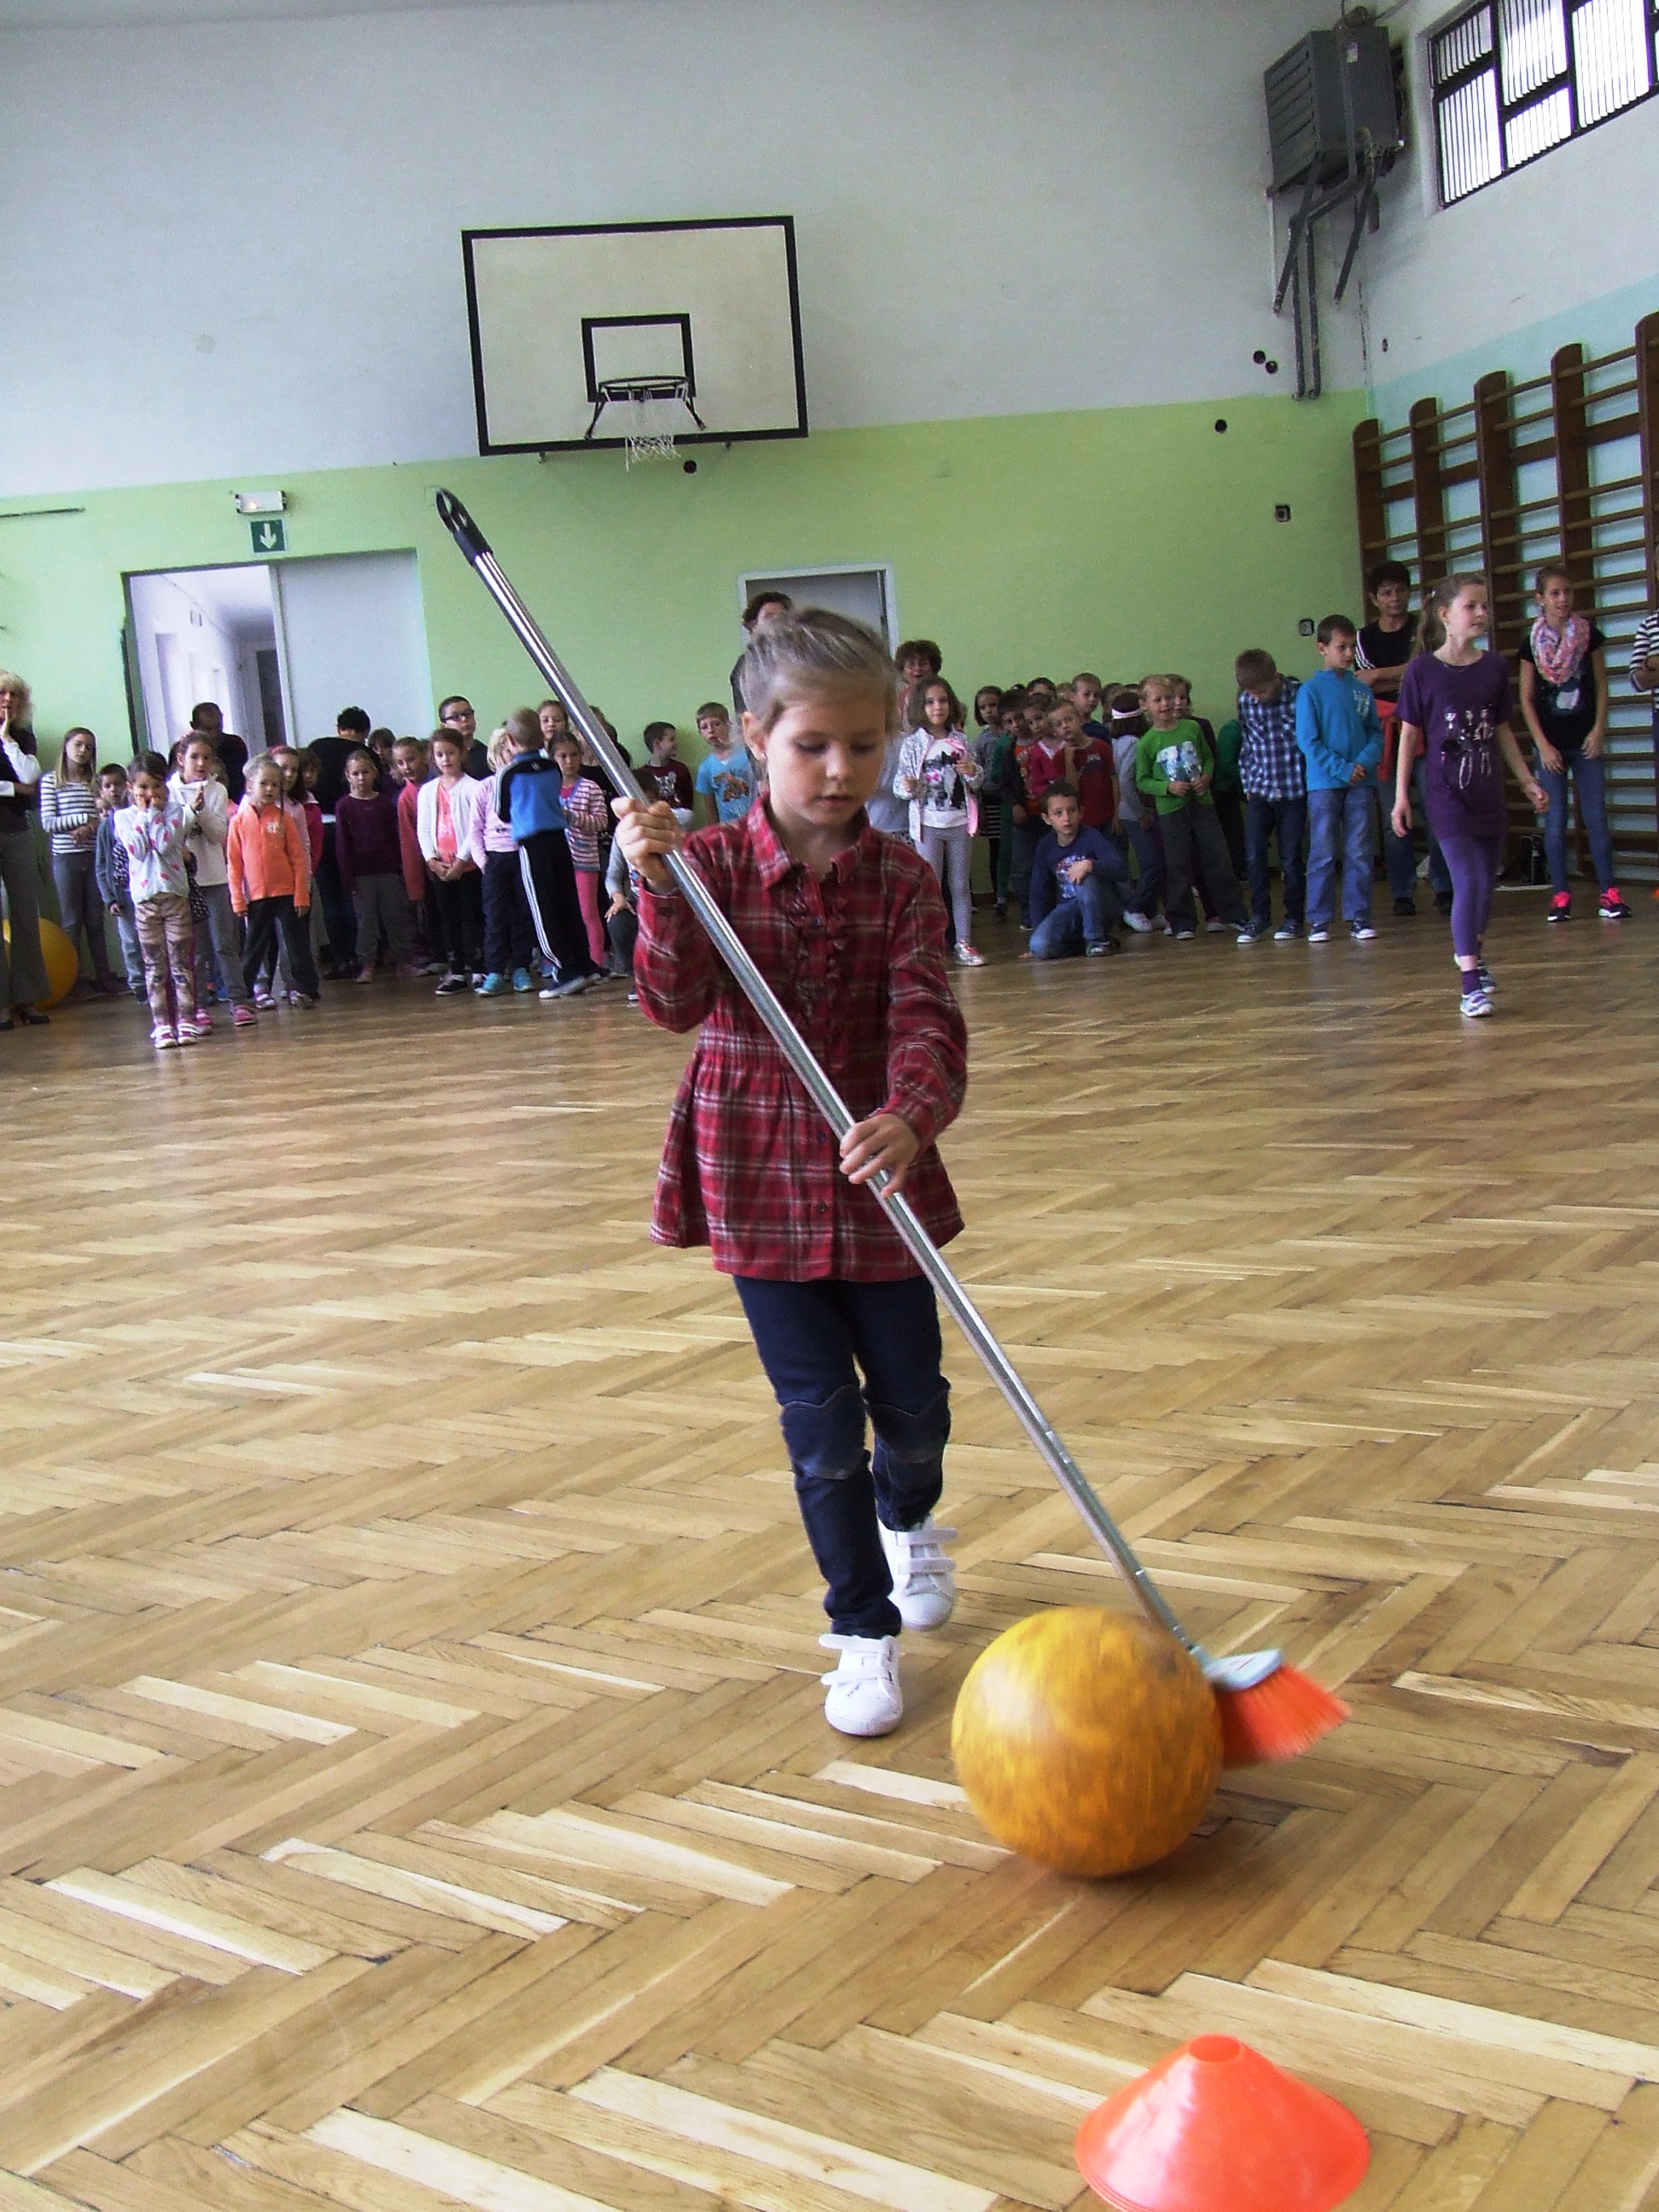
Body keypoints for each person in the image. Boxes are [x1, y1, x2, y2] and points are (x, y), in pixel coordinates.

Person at [617, 608, 966, 1738]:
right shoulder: (709, 865)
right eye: (812, 745)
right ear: (758, 738)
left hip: (875, 1171)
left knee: (913, 1412)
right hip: (756, 1166)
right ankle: (860, 1629)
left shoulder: (903, 875)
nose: (840, 770)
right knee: (819, 1424)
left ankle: (911, 1519)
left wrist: (911, 1112)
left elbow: (927, 1013)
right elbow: (672, 1004)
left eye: (864, 746)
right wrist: (658, 888)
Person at [1394, 573, 1549, 1019]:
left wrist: (1527, 780)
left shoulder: (1494, 667)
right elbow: (1408, 736)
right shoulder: (1422, 671)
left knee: (1485, 885)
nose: (1482, 614)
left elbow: (1502, 731)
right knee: (1466, 881)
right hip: (1446, 794)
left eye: (1485, 606)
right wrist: (1401, 796)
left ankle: (1474, 954)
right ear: (1445, 615)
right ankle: (1469, 985)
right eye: (1471, 606)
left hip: (1486, 791)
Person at [1518, 562, 1625, 922]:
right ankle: (1560, 894)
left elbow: (1602, 685)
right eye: (1554, 593)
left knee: (1595, 817)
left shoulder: (1588, 635)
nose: (1563, 599)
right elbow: (1526, 699)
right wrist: (1542, 744)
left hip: (1585, 743)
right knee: (1555, 819)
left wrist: (1598, 730)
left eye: (1567, 592)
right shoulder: (1531, 644)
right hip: (1550, 746)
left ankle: (1609, 892)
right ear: (1541, 599)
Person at [495, 707, 602, 1000]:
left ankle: (565, 971)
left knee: (543, 910)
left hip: (532, 845)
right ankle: (584, 963)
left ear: (510, 740)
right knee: (568, 903)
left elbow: (501, 812)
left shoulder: (508, 773)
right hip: (559, 840)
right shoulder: (552, 767)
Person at [1132, 678, 1246, 939]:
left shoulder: (1192, 728)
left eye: (1168, 698)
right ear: (1145, 705)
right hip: (1171, 811)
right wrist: (1167, 787)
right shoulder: (1147, 742)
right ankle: (1182, 920)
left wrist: (1205, 777)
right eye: (1157, 700)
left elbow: (1207, 758)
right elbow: (1142, 780)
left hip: (1202, 804)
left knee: (1218, 858)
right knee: (1177, 865)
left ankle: (1234, 914)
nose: (1165, 704)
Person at [1296, 618, 1383, 945]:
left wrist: (1363, 763)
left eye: (1351, 648)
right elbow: (1309, 741)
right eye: (1341, 647)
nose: (1348, 654)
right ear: (1322, 648)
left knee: (1359, 850)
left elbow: (1375, 732)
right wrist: (1342, 769)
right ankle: (1319, 919)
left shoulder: (1361, 689)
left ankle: (1359, 916)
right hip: (1324, 784)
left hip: (1361, 782)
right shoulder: (1310, 691)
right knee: (1322, 851)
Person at [894, 678, 985, 966]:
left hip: (959, 822)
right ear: (920, 707)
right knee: (929, 887)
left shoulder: (961, 740)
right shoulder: (912, 744)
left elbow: (977, 781)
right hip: (928, 826)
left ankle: (964, 942)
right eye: (930, 702)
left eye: (943, 701)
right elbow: (900, 785)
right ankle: (929, 944)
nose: (937, 707)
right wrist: (908, 787)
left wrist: (972, 772)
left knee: (959, 886)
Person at [114, 753, 197, 1049]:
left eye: (157, 786)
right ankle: (161, 1023)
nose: (150, 794)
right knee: (154, 965)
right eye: (143, 788)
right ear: (130, 788)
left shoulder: (176, 811)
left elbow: (163, 844)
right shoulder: (123, 817)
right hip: (145, 900)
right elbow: (137, 849)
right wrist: (144, 815)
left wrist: (156, 815)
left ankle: (186, 1019)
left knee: (180, 962)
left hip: (175, 896)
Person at [172, 733, 252, 1029]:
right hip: (184, 882)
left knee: (225, 943)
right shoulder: (169, 791)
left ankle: (238, 1001)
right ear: (181, 759)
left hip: (216, 877)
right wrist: (190, 810)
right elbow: (173, 833)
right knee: (196, 949)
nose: (201, 763)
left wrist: (202, 809)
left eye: (206, 757)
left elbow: (218, 834)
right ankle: (198, 1007)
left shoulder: (217, 790)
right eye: (194, 757)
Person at [227, 754, 319, 1009]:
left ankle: (307, 989)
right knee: (254, 947)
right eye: (263, 783)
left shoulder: (283, 818)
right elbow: (234, 864)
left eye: (275, 785)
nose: (269, 789)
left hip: (287, 893)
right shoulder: (238, 822)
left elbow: (298, 858)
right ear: (250, 785)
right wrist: (238, 898)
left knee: (297, 945)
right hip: (257, 895)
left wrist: (302, 893)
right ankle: (244, 995)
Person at [1231, 649, 1307, 944]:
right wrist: (1248, 781)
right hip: (1260, 789)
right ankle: (1260, 916)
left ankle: (1293, 918)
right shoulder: (1245, 701)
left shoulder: (1299, 696)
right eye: (1251, 692)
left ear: (1276, 677)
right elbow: (1248, 743)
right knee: (1254, 855)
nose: (1257, 697)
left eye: (1262, 691)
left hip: (1294, 789)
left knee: (1291, 858)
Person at [40, 726, 118, 995]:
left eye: (89, 747)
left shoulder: (95, 783)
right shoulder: (51, 781)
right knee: (72, 920)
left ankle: (104, 974)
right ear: (66, 747)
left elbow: (106, 817)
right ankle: (75, 979)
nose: (83, 751)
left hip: (95, 857)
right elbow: (49, 823)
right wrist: (85, 820)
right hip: (65, 858)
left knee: (96, 920)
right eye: (78, 745)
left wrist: (92, 825)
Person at [335, 747, 417, 981]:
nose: (361, 778)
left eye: (365, 772)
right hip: (361, 874)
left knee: (396, 916)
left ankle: (404, 961)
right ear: (348, 776)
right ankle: (368, 964)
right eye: (356, 773)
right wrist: (347, 875)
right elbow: (342, 843)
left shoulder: (383, 803)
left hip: (388, 870)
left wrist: (400, 867)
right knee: (366, 921)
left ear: (374, 774)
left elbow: (394, 837)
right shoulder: (344, 806)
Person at [416, 727, 486, 993]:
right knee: (448, 920)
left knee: (472, 917)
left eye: (451, 753)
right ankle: (456, 971)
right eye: (440, 754)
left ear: (462, 754)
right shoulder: (427, 791)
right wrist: (431, 859)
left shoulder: (474, 788)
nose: (446, 759)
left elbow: (474, 829)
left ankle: (478, 968)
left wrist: (461, 861)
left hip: (467, 867)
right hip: (441, 868)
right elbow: (423, 828)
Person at [1026, 782, 1128, 958]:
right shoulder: (1046, 846)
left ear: (1081, 813)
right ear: (1047, 818)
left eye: (1072, 810)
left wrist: (1090, 865)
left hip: (1101, 905)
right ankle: (1088, 943)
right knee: (1039, 947)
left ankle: (1096, 941)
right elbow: (1039, 892)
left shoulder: (1092, 837)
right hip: (1069, 908)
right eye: (1058, 813)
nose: (1066, 818)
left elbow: (1120, 868)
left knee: (1086, 879)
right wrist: (1038, 929)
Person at [0, 672, 49, 1027]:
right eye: (2, 693)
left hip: (17, 830)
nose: (8, 700)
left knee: (25, 915)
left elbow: (31, 780)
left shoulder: (22, 737)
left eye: (14, 694)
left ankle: (27, 998)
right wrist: (12, 788)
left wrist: (6, 739)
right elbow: (21, 788)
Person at [553, 732, 613, 969]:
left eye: (574, 755)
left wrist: (573, 817)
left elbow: (601, 822)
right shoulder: (549, 788)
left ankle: (596, 960)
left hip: (585, 860)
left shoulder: (590, 787)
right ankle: (562, 962)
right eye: (563, 756)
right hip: (556, 862)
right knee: (560, 914)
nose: (569, 761)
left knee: (588, 913)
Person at [1108, 685, 1160, 931]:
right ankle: (1135, 908)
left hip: (1127, 811)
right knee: (1153, 864)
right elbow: (1126, 781)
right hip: (1133, 812)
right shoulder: (1133, 743)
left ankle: (1150, 911)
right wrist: (1141, 813)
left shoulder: (1116, 740)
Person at [94, 762, 145, 998]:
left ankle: (158, 983)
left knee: (150, 940)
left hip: (144, 888)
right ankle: (139, 985)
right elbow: (102, 866)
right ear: (101, 791)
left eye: (118, 784)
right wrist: (109, 898)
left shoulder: (137, 816)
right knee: (131, 942)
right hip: (122, 895)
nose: (114, 790)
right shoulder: (106, 826)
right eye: (108, 786)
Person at [971, 687, 1014, 921]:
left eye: (993, 705)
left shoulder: (1012, 735)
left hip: (1012, 798)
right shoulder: (981, 741)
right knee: (997, 850)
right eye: (983, 707)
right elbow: (976, 778)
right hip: (990, 799)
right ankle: (999, 897)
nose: (989, 711)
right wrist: (979, 808)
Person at [691, 702, 755, 827]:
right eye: (704, 727)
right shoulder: (705, 768)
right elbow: (711, 811)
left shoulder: (748, 754)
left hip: (756, 820)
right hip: (730, 827)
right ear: (700, 733)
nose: (710, 730)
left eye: (716, 724)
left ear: (728, 725)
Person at [731, 591, 793, 718]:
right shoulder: (745, 666)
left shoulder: (799, 658)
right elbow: (744, 712)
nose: (777, 621)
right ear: (753, 626)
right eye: (769, 616)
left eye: (782, 617)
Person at [188, 701, 248, 805]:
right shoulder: (185, 750)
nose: (215, 734)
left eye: (218, 726)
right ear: (194, 726)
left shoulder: (236, 745)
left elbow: (243, 780)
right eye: (208, 729)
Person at [639, 724, 694, 822]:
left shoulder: (680, 769)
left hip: (679, 818)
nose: (676, 744)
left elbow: (688, 800)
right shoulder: (643, 774)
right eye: (671, 739)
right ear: (657, 744)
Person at [437, 695, 492, 779]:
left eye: (468, 714)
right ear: (444, 726)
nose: (464, 719)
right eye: (456, 717)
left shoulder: (488, 755)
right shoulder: (441, 761)